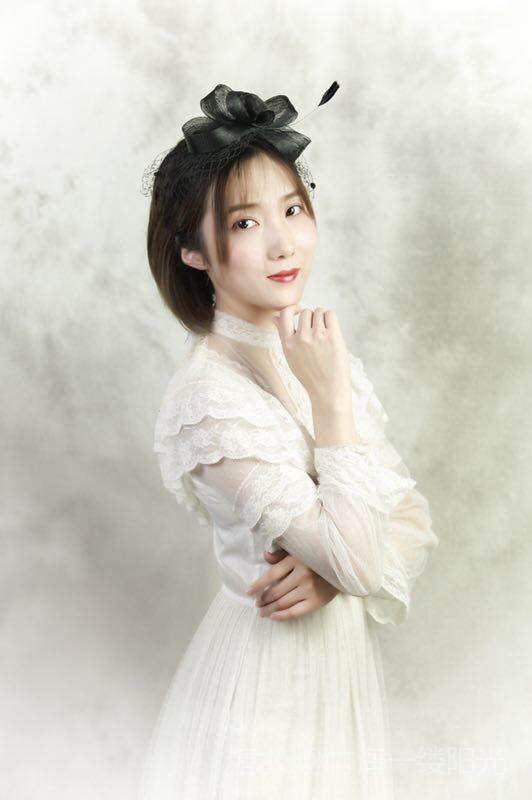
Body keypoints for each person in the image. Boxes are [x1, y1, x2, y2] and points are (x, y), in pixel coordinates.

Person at [138, 82, 439, 799]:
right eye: (245, 223)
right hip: (266, 686)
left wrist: (333, 573)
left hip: (340, 674)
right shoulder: (209, 399)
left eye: (293, 209)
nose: (283, 243)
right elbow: (364, 555)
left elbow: (412, 520)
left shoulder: (311, 351)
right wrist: (330, 405)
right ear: (193, 252)